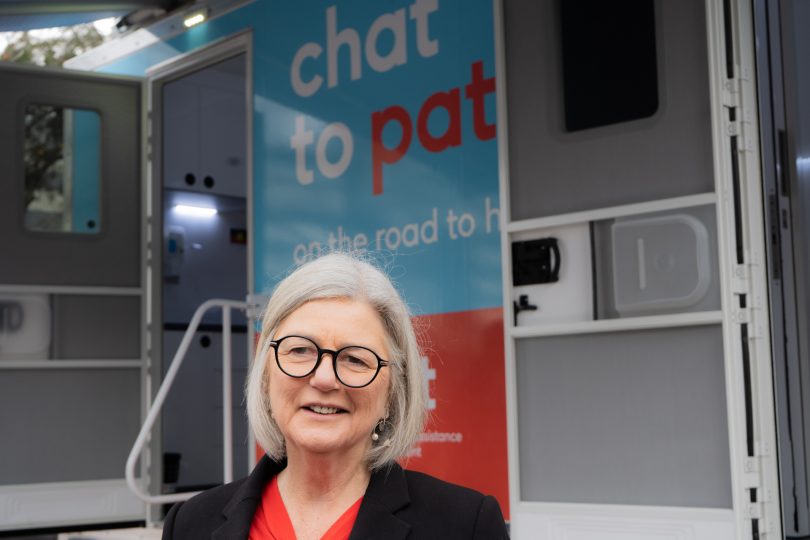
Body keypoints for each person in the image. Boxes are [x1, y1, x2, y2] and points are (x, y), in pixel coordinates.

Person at [162, 252, 509, 539]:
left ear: (392, 392)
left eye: (355, 359)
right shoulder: (190, 524)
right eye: (300, 351)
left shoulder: (466, 526)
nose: (324, 378)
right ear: (266, 375)